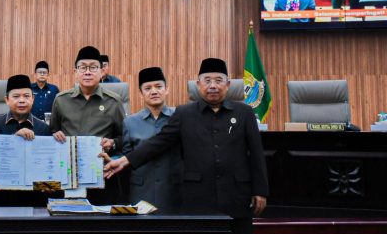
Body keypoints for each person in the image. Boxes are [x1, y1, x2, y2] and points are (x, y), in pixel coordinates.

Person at [103, 58, 269, 234]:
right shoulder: (184, 113)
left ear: (228, 85)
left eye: (219, 81)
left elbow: (257, 153)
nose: (213, 85)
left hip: (237, 196)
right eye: (207, 81)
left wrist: (260, 190)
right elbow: (159, 142)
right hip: (199, 197)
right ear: (198, 84)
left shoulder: (244, 112)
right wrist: (124, 161)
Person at [51, 45, 126, 204]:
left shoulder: (114, 101)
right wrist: (55, 135)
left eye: (93, 67)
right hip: (68, 174)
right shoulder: (61, 100)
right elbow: (52, 132)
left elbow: (124, 137)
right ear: (75, 72)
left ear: (102, 71)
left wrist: (112, 143)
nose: (87, 71)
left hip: (103, 173)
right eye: (82, 67)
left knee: (103, 224)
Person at [0, 74, 54, 206]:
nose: (21, 100)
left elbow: (48, 166)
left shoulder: (43, 128)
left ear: (33, 99)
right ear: (6, 99)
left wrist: (49, 185)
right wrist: (15, 139)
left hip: (35, 197)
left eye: (26, 96)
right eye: (16, 96)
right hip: (0, 195)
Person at [121, 67, 182, 210]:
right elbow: (127, 158)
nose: (154, 91)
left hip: (173, 190)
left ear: (167, 89)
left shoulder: (180, 117)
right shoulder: (130, 122)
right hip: (141, 191)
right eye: (147, 88)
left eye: (159, 86)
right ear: (141, 93)